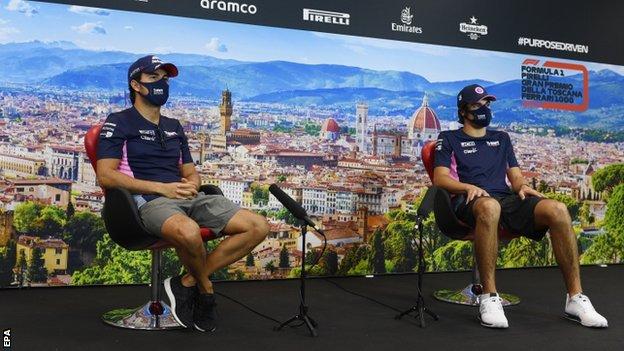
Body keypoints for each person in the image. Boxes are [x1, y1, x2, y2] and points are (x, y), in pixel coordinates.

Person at [96, 55, 269, 332]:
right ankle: (206, 289)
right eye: (154, 78)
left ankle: (186, 283)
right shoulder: (119, 122)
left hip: (187, 197)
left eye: (165, 78)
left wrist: (191, 183)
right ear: (136, 86)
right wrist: (161, 188)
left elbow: (190, 172)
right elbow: (105, 175)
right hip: (146, 202)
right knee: (188, 232)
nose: (162, 83)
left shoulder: (174, 127)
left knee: (258, 226)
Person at [433, 84, 608, 329]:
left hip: (505, 199)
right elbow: (440, 177)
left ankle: (575, 298)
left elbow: (515, 177)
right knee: (490, 207)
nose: (484, 109)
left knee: (557, 209)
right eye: (477, 105)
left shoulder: (501, 138)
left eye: (487, 104)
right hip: (471, 201)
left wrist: (522, 187)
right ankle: (489, 296)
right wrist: (465, 187)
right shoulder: (449, 138)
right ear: (463, 111)